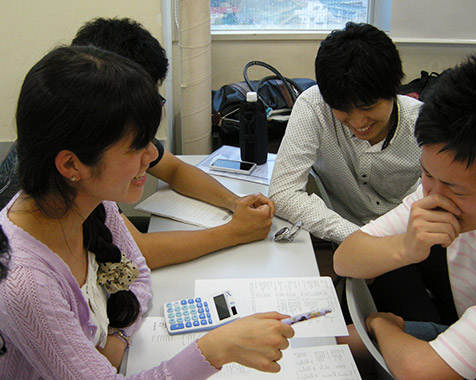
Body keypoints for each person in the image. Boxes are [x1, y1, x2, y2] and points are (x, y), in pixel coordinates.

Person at [0, 45, 294, 379]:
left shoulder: (90, 201)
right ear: (71, 164)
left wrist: (118, 336)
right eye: (137, 145)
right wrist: (216, 349)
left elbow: (138, 272)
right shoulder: (25, 283)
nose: (152, 154)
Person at [334, 55, 476, 380]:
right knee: (338, 336)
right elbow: (345, 258)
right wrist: (406, 248)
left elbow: (423, 372)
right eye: (427, 174)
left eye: (454, 189)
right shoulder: (443, 187)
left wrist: (380, 325)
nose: (432, 196)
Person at [70, 17, 275, 269]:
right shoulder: (75, 164)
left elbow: (175, 170)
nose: (149, 154)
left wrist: (235, 203)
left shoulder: (102, 128)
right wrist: (235, 232)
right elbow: (138, 253)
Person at [269, 22, 422, 245]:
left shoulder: (421, 123)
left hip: (409, 231)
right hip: (350, 237)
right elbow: (283, 193)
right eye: (343, 110)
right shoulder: (315, 105)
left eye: (368, 107)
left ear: (393, 89)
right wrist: (359, 239)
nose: (359, 122)